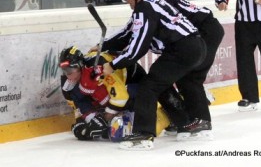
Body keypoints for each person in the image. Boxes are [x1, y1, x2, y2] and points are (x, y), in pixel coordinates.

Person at [100, 0, 209, 150]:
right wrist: (103, 45)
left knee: (148, 86)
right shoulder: (152, 3)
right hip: (195, 46)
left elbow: (138, 47)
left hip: (182, 49)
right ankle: (185, 123)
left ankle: (143, 134)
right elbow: (129, 35)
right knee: (160, 84)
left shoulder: (144, 7)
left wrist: (113, 65)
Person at [136, 0, 224, 133]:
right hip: (203, 30)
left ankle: (200, 120)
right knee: (185, 77)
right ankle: (191, 118)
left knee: (190, 78)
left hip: (205, 30)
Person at [59, 46, 190, 141]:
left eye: (70, 69)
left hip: (131, 80)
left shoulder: (99, 68)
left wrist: (105, 118)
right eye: (64, 70)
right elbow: (79, 105)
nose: (68, 74)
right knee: (110, 131)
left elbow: (121, 96)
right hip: (116, 93)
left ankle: (170, 113)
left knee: (141, 125)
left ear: (81, 65)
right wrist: (87, 122)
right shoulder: (68, 84)